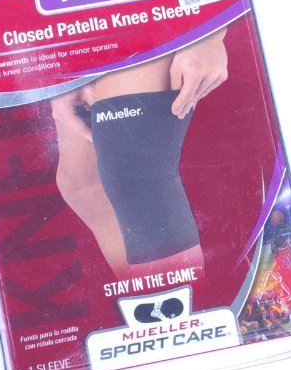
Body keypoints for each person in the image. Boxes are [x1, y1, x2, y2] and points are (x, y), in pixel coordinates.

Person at [51, 28, 228, 282]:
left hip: (162, 13)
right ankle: (150, 298)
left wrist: (208, 33)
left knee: (137, 177)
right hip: (80, 17)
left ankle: (183, 304)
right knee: (84, 184)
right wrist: (59, 69)